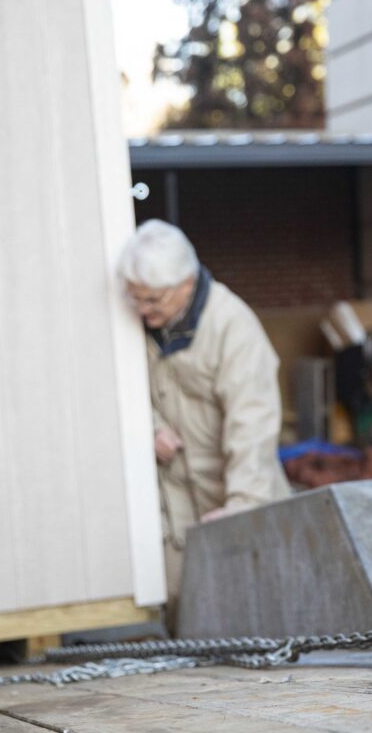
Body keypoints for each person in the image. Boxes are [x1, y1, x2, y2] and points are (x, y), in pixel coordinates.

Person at [117, 219, 291, 634]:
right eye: (136, 298)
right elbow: (123, 387)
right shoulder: (138, 322)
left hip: (231, 486)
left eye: (153, 300)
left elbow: (253, 421)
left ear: (187, 283)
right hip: (174, 494)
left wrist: (244, 502)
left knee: (257, 599)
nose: (142, 310)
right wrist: (152, 426)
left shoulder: (232, 325)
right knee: (182, 604)